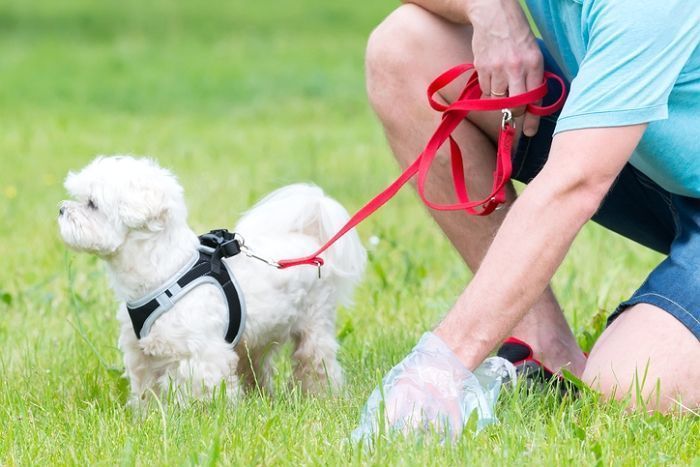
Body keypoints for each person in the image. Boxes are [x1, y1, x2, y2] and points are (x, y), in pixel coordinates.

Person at [362, 0, 700, 420]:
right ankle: (544, 352)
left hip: (623, 150)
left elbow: (574, 183)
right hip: (652, 146)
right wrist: (487, 9)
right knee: (404, 47)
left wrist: (441, 365)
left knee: (632, 386)